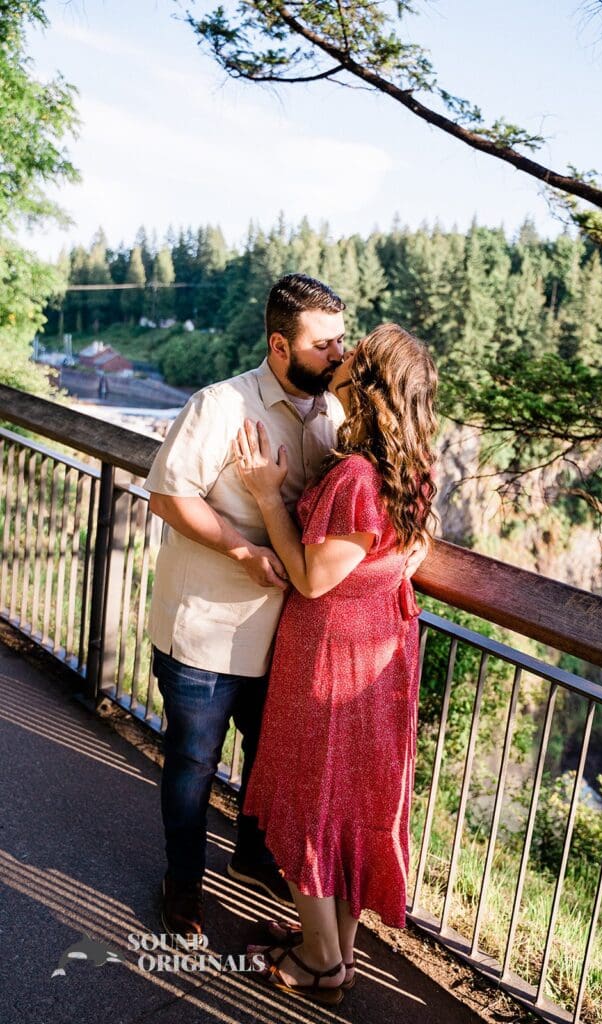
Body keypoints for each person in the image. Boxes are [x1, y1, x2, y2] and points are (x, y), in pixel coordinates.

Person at [233, 323, 438, 1006]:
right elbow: (401, 539)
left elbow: (312, 579)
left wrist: (265, 495)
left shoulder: (356, 475)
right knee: (345, 800)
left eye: (353, 357)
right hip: (378, 645)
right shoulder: (411, 468)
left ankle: (321, 962)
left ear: (369, 385)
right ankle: (332, 945)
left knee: (311, 793)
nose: (339, 360)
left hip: (333, 653)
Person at [144, 273, 348, 937]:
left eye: (341, 340)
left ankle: (254, 859)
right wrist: (241, 551)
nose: (338, 355)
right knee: (193, 765)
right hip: (205, 626)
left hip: (287, 634)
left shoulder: (335, 414)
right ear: (279, 345)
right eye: (324, 344)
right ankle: (181, 887)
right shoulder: (220, 405)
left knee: (269, 759)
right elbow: (170, 498)